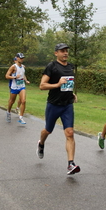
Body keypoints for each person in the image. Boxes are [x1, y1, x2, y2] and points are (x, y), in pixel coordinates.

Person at [36, 43, 80, 175]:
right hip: (54, 105)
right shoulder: (52, 66)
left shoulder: (71, 66)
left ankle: (70, 164)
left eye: (66, 51)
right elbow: (42, 86)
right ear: (56, 53)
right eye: (62, 51)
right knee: (47, 130)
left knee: (70, 133)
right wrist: (57, 84)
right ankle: (41, 143)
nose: (65, 53)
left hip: (67, 105)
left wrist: (70, 93)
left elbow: (68, 84)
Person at [5, 53, 30, 124]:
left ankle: (21, 117)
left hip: (22, 86)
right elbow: (6, 76)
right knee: (11, 101)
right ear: (17, 58)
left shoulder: (23, 67)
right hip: (14, 87)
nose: (22, 59)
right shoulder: (13, 67)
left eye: (22, 58)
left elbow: (23, 74)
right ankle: (8, 112)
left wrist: (26, 80)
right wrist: (14, 77)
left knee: (23, 101)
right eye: (20, 58)